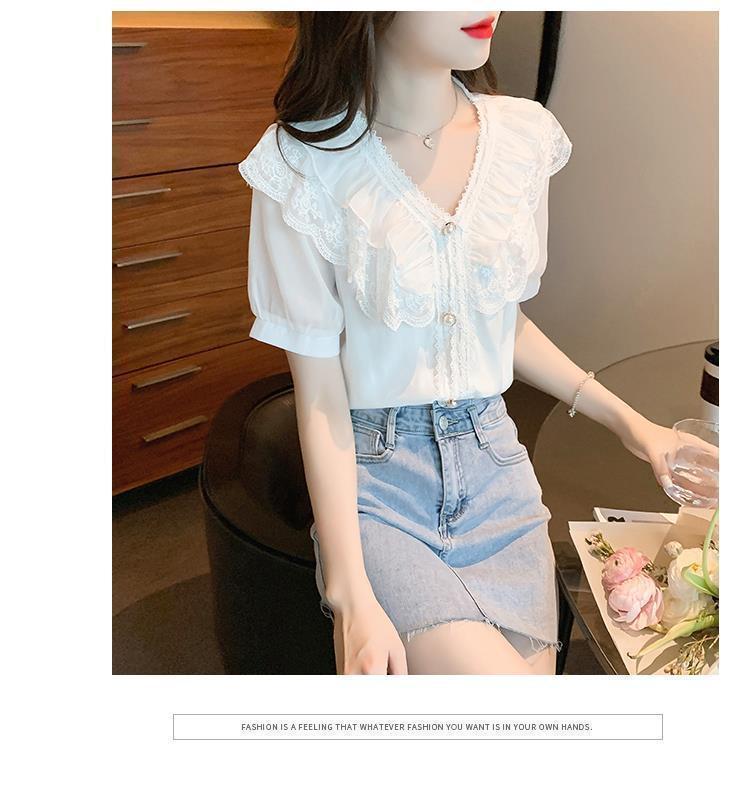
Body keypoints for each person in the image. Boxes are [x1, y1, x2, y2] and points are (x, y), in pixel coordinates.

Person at [238, 11, 689, 675]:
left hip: (498, 476)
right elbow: (320, 393)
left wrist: (633, 424)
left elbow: (500, 323)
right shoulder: (301, 164)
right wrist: (349, 591)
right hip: (380, 488)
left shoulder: (521, 137)